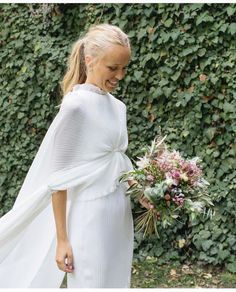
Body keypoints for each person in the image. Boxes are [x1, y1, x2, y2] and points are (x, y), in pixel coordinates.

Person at [0, 23, 151, 288]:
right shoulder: (76, 106)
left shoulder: (118, 107)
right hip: (89, 218)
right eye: (112, 67)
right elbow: (59, 180)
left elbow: (116, 162)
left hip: (118, 215)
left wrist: (146, 197)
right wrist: (62, 240)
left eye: (124, 68)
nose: (120, 75)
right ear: (90, 60)